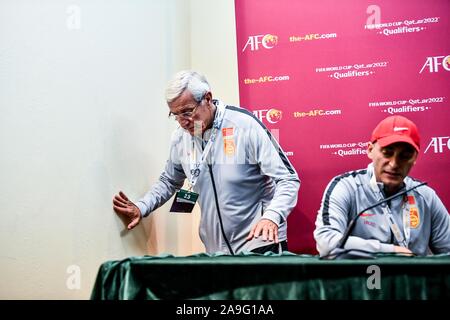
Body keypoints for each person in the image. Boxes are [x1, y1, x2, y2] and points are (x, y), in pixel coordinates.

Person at [113, 70, 300, 255]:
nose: (182, 122)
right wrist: (141, 206)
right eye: (175, 114)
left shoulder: (244, 125)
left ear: (208, 98)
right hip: (216, 252)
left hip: (259, 243)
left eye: (187, 111)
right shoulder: (181, 138)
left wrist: (272, 217)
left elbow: (288, 179)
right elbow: (169, 181)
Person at [314, 115, 450, 257]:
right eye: (387, 153)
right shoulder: (346, 187)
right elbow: (326, 243)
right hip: (362, 278)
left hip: (412, 279)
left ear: (414, 158)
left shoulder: (425, 196)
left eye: (404, 156)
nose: (394, 164)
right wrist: (390, 250)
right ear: (370, 150)